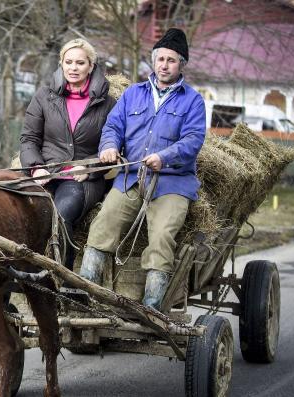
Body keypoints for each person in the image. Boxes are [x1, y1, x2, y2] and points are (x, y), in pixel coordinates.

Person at [78, 28, 206, 311]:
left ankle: (151, 307)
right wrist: (109, 147)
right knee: (103, 224)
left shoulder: (193, 100)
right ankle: (84, 293)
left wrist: (165, 156)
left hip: (172, 183)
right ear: (154, 61)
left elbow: (193, 140)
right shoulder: (133, 94)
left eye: (171, 60)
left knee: (161, 236)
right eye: (160, 59)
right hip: (130, 178)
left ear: (181, 64)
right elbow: (113, 127)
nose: (164, 65)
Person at [20, 38, 117, 270]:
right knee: (14, 215)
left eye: (80, 63)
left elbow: (113, 148)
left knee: (60, 216)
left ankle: (61, 280)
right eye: (69, 62)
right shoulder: (44, 96)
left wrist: (90, 167)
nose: (74, 68)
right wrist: (36, 167)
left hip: (81, 179)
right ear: (61, 63)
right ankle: (5, 288)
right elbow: (29, 138)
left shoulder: (107, 104)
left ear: (91, 66)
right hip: (45, 173)